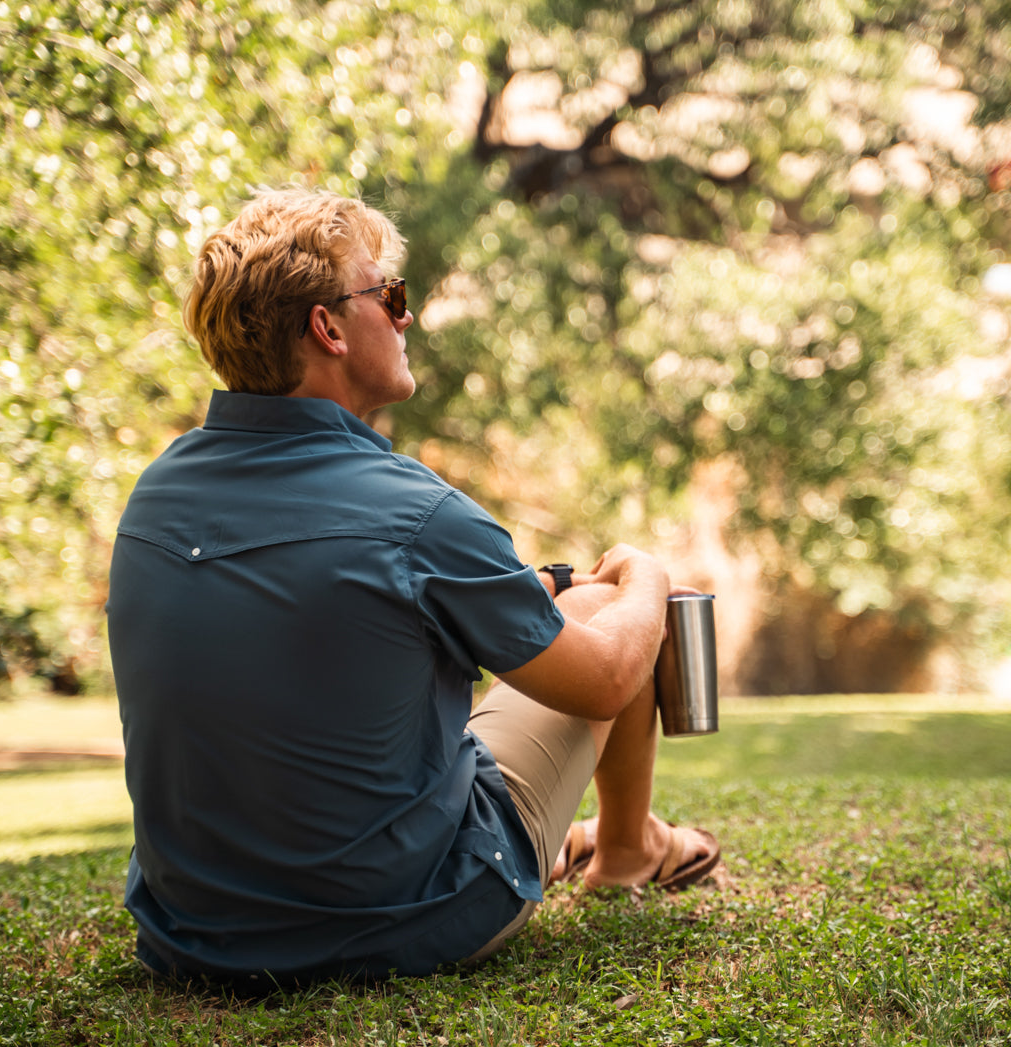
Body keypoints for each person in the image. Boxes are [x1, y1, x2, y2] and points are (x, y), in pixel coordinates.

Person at [105, 187, 719, 989]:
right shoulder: (415, 510)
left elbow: (320, 623)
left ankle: (621, 843)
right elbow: (603, 679)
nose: (405, 317)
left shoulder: (157, 492)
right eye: (388, 295)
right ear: (328, 327)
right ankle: (627, 855)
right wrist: (647, 572)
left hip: (194, 935)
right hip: (402, 918)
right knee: (606, 611)